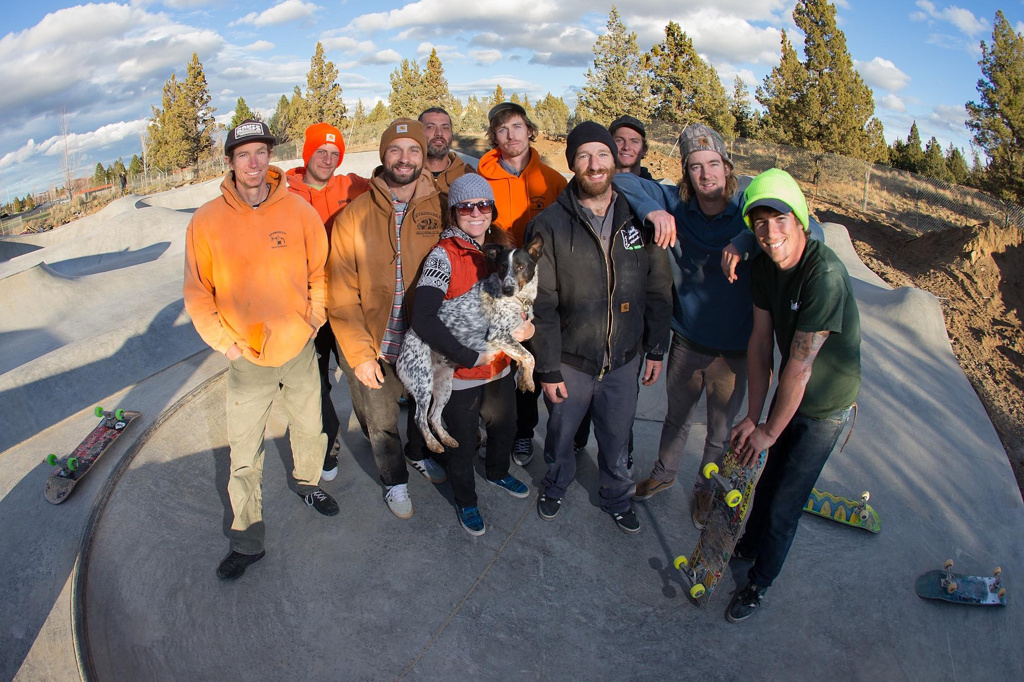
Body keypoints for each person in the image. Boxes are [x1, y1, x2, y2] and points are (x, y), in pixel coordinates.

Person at [183, 120, 338, 581]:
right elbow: (197, 292)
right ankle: (248, 540)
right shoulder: (207, 221)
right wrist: (226, 344)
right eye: (243, 154)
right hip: (247, 359)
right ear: (229, 162)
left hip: (298, 348)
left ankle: (308, 484)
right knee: (245, 454)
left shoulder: (298, 211)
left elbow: (320, 271)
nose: (253, 162)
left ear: (270, 157)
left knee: (311, 428)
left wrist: (314, 319)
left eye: (260, 153)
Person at [726, 168, 861, 622]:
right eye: (760, 223)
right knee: (765, 481)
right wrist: (753, 415)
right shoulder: (764, 268)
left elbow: (800, 368)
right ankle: (748, 544)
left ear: (801, 221)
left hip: (823, 408)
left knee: (786, 503)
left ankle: (758, 585)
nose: (770, 233)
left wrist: (769, 430)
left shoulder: (824, 277)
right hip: (790, 394)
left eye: (780, 220)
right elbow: (761, 343)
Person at [526, 121, 672, 534]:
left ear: (616, 160)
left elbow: (659, 288)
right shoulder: (550, 224)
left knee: (617, 435)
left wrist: (656, 347)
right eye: (584, 156)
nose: (594, 164)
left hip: (624, 358)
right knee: (560, 433)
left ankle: (616, 495)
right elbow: (543, 303)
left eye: (602, 154)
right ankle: (555, 484)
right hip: (571, 360)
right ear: (572, 163)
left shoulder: (639, 220)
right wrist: (548, 367)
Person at [615, 123, 758, 530]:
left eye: (714, 164)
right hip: (687, 340)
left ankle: (705, 490)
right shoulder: (676, 204)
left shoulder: (747, 206)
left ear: (727, 168)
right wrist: (653, 210)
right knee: (677, 417)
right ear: (686, 173)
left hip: (733, 350)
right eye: (696, 167)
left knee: (719, 428)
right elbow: (623, 179)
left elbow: (802, 222)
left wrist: (746, 240)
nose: (706, 174)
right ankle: (663, 475)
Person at [326, 118, 447, 520]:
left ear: (423, 155)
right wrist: (359, 354)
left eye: (413, 149)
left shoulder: (440, 207)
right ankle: (394, 480)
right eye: (395, 150)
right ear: (383, 157)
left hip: (423, 339)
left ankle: (417, 453)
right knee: (380, 421)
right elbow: (340, 294)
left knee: (422, 405)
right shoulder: (353, 216)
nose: (405, 158)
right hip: (375, 344)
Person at [410, 174, 533, 535]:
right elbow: (424, 318)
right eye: (466, 207)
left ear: (492, 209)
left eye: (483, 205)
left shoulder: (504, 249)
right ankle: (466, 501)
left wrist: (528, 324)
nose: (476, 212)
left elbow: (521, 298)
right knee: (461, 446)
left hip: (498, 366)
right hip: (462, 371)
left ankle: (496, 472)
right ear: (454, 213)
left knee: (504, 427)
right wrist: (465, 355)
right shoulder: (442, 256)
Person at [477, 101, 568, 466]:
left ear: (529, 130)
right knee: (495, 361)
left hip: (536, 288)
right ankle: (492, 429)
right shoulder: (481, 180)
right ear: (494, 137)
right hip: (496, 287)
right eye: (502, 129)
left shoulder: (553, 181)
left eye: (516, 126)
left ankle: (525, 434)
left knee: (529, 361)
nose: (510, 135)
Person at [286, 122, 370, 482]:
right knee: (317, 379)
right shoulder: (284, 193)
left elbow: (393, 185)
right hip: (307, 303)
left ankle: (372, 424)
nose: (328, 159)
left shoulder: (351, 186)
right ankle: (329, 443)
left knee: (359, 370)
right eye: (321, 151)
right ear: (307, 153)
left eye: (335, 154)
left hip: (347, 298)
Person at [419, 107, 475, 193]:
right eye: (430, 127)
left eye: (445, 128)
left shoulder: (468, 176)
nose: (439, 133)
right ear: (418, 133)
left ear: (452, 134)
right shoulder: (407, 175)